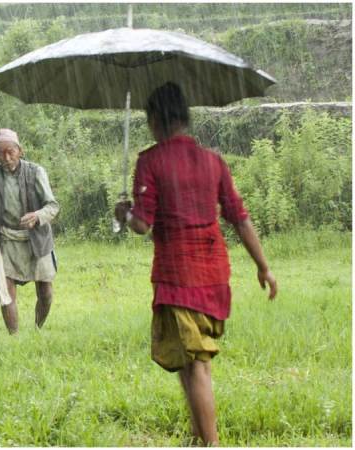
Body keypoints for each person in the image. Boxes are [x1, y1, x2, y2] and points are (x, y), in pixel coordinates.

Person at [114, 82, 278, 446]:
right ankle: (197, 436)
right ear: (184, 118)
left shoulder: (151, 161)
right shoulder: (213, 161)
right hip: (214, 275)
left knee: (196, 366)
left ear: (155, 119)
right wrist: (263, 266)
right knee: (191, 363)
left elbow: (142, 225)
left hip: (178, 278)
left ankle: (210, 443)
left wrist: (124, 213)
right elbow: (239, 217)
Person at [0, 128, 60, 334]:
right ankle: (14, 338)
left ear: (20, 150)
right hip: (6, 238)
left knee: (46, 293)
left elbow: (53, 206)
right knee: (6, 293)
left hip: (37, 240)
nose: (6, 158)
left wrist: (38, 216)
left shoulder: (36, 171)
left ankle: (37, 330)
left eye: (10, 152)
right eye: (0, 153)